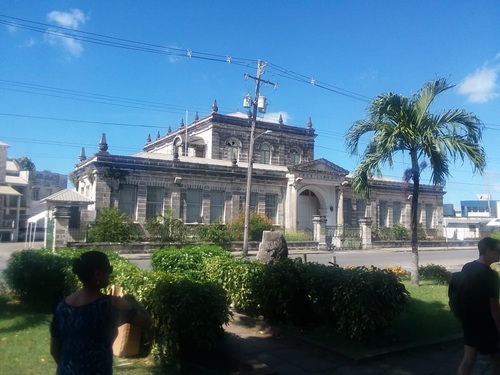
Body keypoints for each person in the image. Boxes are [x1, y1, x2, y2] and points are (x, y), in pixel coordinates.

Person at [50, 251, 151, 375]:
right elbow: (146, 321)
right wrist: (131, 301)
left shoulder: (63, 306)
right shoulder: (110, 305)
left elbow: (54, 350)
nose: (110, 274)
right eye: (109, 270)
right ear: (98, 274)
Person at [458, 237, 500, 375]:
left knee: (469, 358)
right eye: (498, 251)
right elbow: (494, 306)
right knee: (497, 357)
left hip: (469, 319)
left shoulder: (467, 267)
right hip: (486, 324)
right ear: (488, 251)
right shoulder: (491, 275)